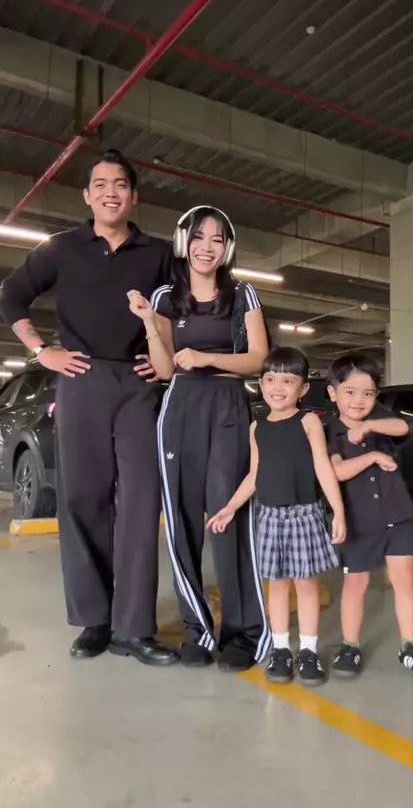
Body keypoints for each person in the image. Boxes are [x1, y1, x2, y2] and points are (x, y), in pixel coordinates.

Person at [0, 149, 178, 667]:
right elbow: (10, 297)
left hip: (139, 386)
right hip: (80, 380)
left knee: (141, 502)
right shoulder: (60, 249)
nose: (110, 193)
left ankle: (134, 629)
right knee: (82, 499)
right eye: (100, 184)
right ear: (87, 195)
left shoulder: (159, 253)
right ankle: (95, 621)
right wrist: (41, 351)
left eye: (119, 184)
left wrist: (162, 356)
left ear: (133, 195)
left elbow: (182, 311)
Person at [128, 205, 271, 672]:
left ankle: (243, 633)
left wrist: (209, 359)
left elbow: (258, 358)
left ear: (227, 247)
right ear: (183, 242)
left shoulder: (243, 293)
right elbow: (164, 369)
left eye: (217, 239)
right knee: (183, 520)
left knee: (230, 517)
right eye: (198, 237)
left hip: (228, 408)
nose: (206, 247)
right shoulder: (166, 297)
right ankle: (197, 630)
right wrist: (149, 323)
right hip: (181, 409)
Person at [207, 347, 346, 685]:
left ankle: (308, 652)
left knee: (307, 587)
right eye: (270, 379)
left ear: (302, 389)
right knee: (278, 586)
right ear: (261, 384)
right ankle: (281, 649)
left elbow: (323, 467)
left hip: (304, 515)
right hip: (269, 517)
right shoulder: (257, 428)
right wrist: (230, 507)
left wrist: (339, 511)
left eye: (288, 380)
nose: (277, 387)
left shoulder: (308, 422)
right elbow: (255, 475)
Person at [326, 353, 413, 678]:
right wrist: (373, 456)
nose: (358, 400)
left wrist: (370, 426)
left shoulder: (379, 419)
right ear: (333, 393)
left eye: (368, 393)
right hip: (359, 520)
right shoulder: (330, 432)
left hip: (396, 514)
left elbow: (402, 427)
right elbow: (338, 471)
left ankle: (410, 646)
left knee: (405, 582)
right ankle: (350, 646)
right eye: (349, 391)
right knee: (356, 583)